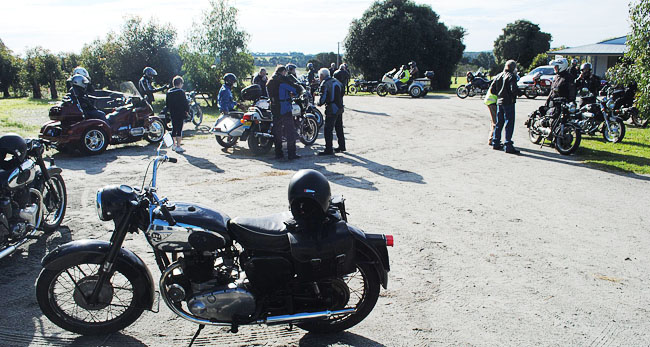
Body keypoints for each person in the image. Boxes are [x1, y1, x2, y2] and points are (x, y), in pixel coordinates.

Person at [267, 65, 300, 160]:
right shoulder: (281, 80)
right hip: (284, 108)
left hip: (274, 107)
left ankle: (278, 153)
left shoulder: (270, 81)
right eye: (285, 72)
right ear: (283, 72)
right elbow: (294, 89)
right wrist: (296, 92)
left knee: (277, 131)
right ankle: (291, 154)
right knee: (290, 131)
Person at [490, 60, 520, 154]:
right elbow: (513, 89)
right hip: (509, 102)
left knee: (499, 122)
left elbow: (492, 89)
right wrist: (520, 92)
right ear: (513, 68)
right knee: (509, 123)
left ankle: (496, 142)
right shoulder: (512, 76)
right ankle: (508, 145)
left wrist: (499, 94)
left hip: (499, 102)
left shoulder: (499, 76)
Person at [317, 68, 345, 155]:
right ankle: (342, 146)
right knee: (339, 127)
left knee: (328, 129)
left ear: (322, 76)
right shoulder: (336, 81)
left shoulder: (325, 83)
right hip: (339, 106)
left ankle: (328, 149)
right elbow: (343, 91)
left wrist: (319, 103)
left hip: (332, 108)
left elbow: (323, 98)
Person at [165, 75, 189, 153]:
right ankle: (179, 146)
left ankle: (173, 145)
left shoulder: (169, 92)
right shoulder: (181, 92)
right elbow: (185, 103)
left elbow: (167, 104)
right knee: (179, 129)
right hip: (180, 112)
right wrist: (187, 111)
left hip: (172, 112)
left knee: (174, 128)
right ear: (180, 83)